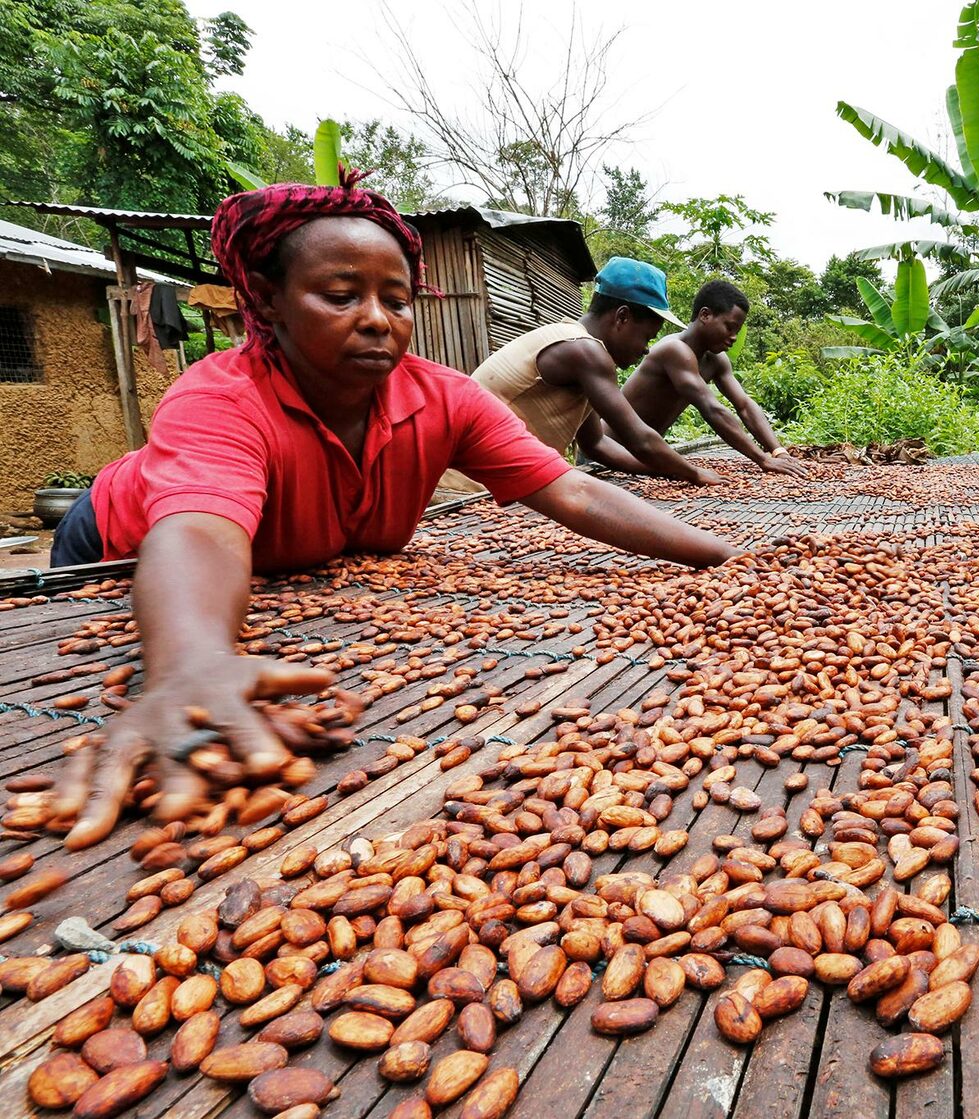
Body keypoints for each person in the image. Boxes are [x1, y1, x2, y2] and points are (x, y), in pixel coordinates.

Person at [49, 178, 740, 849]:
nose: (378, 318)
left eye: (397, 299)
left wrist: (730, 555)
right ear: (268, 300)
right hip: (126, 551)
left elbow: (576, 492)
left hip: (297, 559)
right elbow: (200, 532)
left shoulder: (444, 399)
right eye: (341, 295)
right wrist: (190, 662)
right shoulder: (221, 399)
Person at [456, 257, 728, 488]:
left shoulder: (575, 344)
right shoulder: (586, 352)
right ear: (622, 317)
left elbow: (596, 443)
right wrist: (692, 473)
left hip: (487, 479)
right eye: (646, 337)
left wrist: (667, 470)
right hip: (465, 487)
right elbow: (640, 438)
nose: (646, 350)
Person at [621, 280, 808, 478]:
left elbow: (744, 405)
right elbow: (712, 410)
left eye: (737, 331)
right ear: (705, 315)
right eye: (730, 327)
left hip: (643, 452)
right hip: (612, 448)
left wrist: (778, 451)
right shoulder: (674, 350)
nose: (734, 337)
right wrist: (762, 459)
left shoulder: (716, 360)